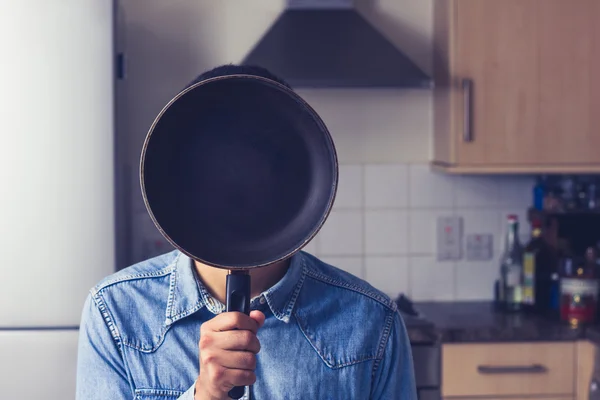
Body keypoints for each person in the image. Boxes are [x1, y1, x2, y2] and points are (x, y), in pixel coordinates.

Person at [75, 65, 417, 400]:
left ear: (292, 178)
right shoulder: (116, 312)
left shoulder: (372, 321)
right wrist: (205, 396)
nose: (235, 183)